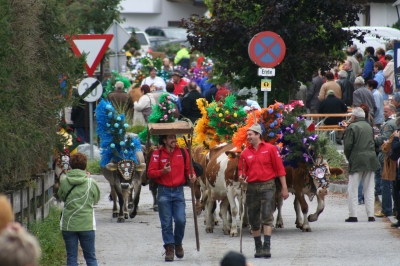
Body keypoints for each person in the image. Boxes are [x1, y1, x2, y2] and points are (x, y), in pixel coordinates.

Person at [238, 123, 289, 258]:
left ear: (258, 135)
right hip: (251, 187)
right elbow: (241, 170)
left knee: (267, 215)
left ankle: (267, 246)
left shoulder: (271, 149)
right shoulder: (245, 153)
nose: (248, 137)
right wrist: (241, 176)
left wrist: (284, 188)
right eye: (247, 135)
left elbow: (280, 169)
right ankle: (258, 247)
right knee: (253, 218)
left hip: (268, 185)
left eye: (250, 134)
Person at [146, 134, 196, 262]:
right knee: (166, 223)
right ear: (164, 140)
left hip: (179, 192)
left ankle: (178, 243)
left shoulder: (183, 152)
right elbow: (150, 173)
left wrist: (192, 176)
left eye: (174, 137)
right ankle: (169, 246)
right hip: (163, 192)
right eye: (170, 138)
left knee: (181, 220)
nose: (174, 140)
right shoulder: (157, 153)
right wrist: (162, 171)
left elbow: (189, 170)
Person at [58, 152, 101, 266]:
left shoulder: (64, 182)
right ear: (85, 165)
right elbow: (96, 199)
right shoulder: (91, 182)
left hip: (69, 224)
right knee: (91, 257)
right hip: (87, 224)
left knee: (71, 257)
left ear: (70, 165)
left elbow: (62, 197)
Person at [343, 107, 380, 222]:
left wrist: (350, 158)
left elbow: (348, 146)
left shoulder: (352, 127)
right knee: (369, 187)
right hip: (370, 159)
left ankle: (353, 215)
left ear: (354, 116)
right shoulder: (369, 126)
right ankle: (370, 215)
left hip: (357, 159)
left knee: (353, 188)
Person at [374, 104, 396, 218]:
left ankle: (386, 209)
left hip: (386, 157)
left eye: (386, 111)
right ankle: (395, 209)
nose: (384, 113)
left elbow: (384, 139)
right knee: (393, 184)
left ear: (392, 112)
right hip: (392, 157)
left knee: (385, 184)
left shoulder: (388, 124)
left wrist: (376, 138)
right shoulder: (393, 123)